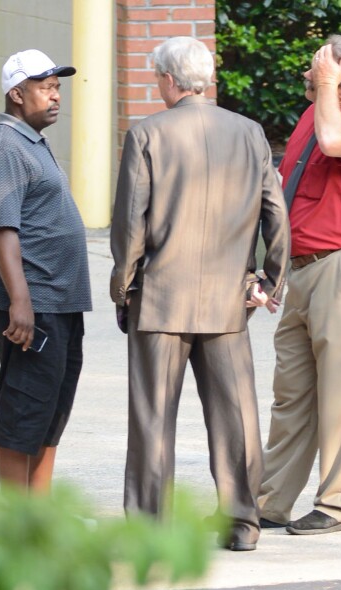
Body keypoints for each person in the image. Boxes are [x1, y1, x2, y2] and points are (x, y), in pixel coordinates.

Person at [109, 36, 290, 551]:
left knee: (152, 418)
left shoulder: (146, 133)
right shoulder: (250, 132)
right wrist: (268, 282)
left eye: (156, 77)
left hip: (161, 298)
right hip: (229, 299)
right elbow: (276, 214)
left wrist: (123, 287)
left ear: (169, 80)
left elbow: (130, 224)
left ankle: (149, 531)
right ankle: (241, 523)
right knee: (237, 415)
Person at [258, 35, 341, 535]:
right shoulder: (310, 121)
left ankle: (339, 506)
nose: (308, 71)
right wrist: (268, 270)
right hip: (305, 270)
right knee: (291, 393)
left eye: (319, 66)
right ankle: (270, 502)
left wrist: (331, 87)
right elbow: (284, 200)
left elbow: (337, 145)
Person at [0, 49, 92, 492]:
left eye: (57, 87)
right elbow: (3, 229)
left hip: (58, 303)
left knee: (49, 410)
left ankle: (38, 513)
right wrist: (20, 302)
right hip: (33, 306)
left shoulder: (31, 143)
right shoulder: (5, 148)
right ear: (17, 94)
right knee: (23, 409)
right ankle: (16, 515)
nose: (56, 96)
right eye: (45, 88)